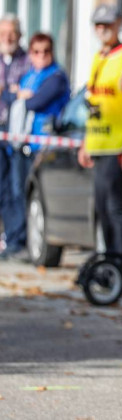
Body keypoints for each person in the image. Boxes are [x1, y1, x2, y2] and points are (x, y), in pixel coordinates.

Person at [77, 4, 122, 263]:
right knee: (102, 209)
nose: (102, 29)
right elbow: (95, 105)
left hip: (119, 146)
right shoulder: (100, 57)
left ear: (119, 23)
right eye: (98, 25)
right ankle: (111, 262)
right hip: (100, 145)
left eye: (107, 24)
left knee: (117, 208)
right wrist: (86, 143)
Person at [4, 33, 70, 260]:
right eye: (36, 51)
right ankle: (16, 242)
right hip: (22, 143)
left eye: (46, 51)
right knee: (16, 195)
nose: (41, 56)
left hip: (42, 146)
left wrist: (20, 96)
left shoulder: (56, 76)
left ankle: (30, 247)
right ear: (30, 53)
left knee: (35, 199)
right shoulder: (30, 76)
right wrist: (19, 95)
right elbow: (10, 98)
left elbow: (37, 101)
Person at [0, 14, 31, 258]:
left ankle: (18, 239)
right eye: (3, 33)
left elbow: (27, 93)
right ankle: (9, 238)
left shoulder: (28, 61)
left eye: (12, 33)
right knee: (2, 188)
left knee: (16, 187)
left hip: (20, 133)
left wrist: (11, 92)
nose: (8, 38)